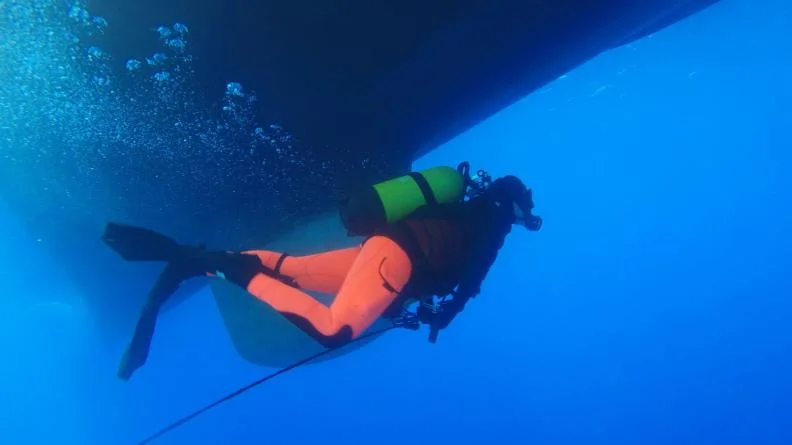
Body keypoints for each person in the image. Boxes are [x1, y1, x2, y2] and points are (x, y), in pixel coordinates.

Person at [103, 166, 542, 380]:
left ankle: (209, 257)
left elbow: (427, 253)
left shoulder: (462, 208)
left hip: (384, 251)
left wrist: (416, 300)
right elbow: (471, 281)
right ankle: (231, 269)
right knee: (336, 330)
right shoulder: (492, 225)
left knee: (294, 273)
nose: (523, 221)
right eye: (525, 213)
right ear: (515, 208)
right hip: (396, 259)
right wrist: (444, 315)